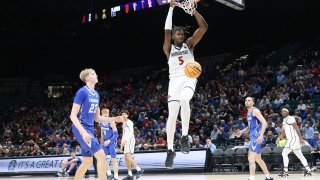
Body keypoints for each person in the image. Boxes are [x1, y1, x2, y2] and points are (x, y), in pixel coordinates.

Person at [163, 0, 208, 169]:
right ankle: (169, 150)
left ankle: (184, 137)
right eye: (178, 34)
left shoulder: (190, 44)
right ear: (173, 36)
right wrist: (171, 9)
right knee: (172, 116)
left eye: (182, 33)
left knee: (184, 101)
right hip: (173, 82)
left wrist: (194, 12)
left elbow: (204, 27)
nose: (180, 35)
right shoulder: (168, 48)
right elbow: (166, 30)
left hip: (189, 78)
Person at [70, 68, 123, 180]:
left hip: (89, 129)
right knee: (101, 156)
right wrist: (83, 133)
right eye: (93, 73)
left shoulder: (96, 94)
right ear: (87, 78)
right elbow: (73, 116)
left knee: (87, 161)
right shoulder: (82, 92)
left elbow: (98, 118)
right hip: (81, 128)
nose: (96, 75)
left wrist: (114, 118)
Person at [236, 97, 273, 180]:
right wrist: (241, 132)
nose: (247, 102)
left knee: (251, 158)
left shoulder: (255, 111)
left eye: (249, 100)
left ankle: (252, 178)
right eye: (246, 100)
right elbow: (249, 127)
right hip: (253, 137)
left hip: (256, 137)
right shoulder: (248, 113)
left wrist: (260, 136)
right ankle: (268, 177)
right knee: (258, 159)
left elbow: (264, 123)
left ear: (253, 102)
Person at [276, 107, 312, 177]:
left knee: (284, 153)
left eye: (284, 111)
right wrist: (279, 138)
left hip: (294, 139)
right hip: (292, 140)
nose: (283, 112)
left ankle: (285, 172)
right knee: (300, 156)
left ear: (288, 112)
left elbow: (297, 128)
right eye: (282, 111)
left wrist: (300, 138)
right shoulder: (284, 120)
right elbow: (284, 132)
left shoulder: (291, 118)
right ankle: (308, 170)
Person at [120, 110, 144, 180]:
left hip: (130, 140)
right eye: (122, 114)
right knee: (126, 158)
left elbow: (131, 133)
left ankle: (139, 169)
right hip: (126, 141)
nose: (123, 115)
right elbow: (123, 135)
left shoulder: (129, 122)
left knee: (128, 157)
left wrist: (126, 141)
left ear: (127, 115)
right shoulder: (123, 123)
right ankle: (130, 175)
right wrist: (122, 145)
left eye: (125, 114)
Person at [100, 108, 120, 180]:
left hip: (112, 142)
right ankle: (109, 173)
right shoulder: (100, 122)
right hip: (104, 143)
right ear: (101, 114)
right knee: (102, 158)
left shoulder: (111, 122)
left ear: (108, 114)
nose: (105, 115)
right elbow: (102, 133)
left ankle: (116, 176)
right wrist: (101, 143)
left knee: (113, 160)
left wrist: (109, 140)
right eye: (103, 113)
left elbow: (116, 134)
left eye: (106, 113)